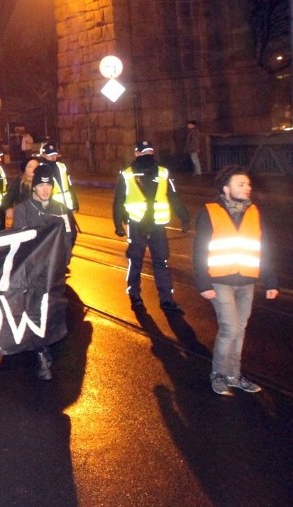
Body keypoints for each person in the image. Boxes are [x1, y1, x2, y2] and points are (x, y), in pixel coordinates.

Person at [193, 165, 278, 396]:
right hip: (219, 280)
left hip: (246, 280)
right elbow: (200, 249)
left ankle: (233, 375)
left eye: (248, 184)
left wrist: (270, 281)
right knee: (229, 328)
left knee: (240, 330)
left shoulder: (254, 212)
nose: (247, 188)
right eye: (241, 184)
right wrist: (203, 283)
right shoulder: (210, 211)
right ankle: (218, 374)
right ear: (226, 188)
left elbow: (264, 247)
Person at [12, 165, 77, 381]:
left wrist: (63, 261)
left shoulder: (60, 208)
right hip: (33, 273)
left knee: (52, 311)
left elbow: (68, 237)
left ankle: (45, 344)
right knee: (35, 312)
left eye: (48, 185)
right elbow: (20, 240)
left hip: (54, 272)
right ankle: (40, 353)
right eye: (41, 185)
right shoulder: (24, 209)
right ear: (34, 187)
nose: (45, 189)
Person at [113, 140, 190, 312]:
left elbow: (172, 196)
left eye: (149, 152)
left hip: (155, 225)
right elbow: (119, 200)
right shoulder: (127, 174)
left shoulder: (162, 173)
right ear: (137, 154)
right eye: (145, 152)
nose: (147, 155)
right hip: (138, 224)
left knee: (158, 261)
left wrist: (184, 217)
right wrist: (118, 223)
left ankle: (165, 299)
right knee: (139, 260)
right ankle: (135, 294)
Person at [38, 142, 79, 213]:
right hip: (53, 209)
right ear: (43, 155)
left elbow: (70, 186)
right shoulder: (41, 170)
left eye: (55, 154)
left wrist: (75, 203)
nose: (53, 157)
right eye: (50, 155)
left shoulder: (61, 166)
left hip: (67, 207)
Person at [4, 157, 40, 228]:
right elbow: (8, 197)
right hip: (23, 216)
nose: (33, 169)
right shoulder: (18, 182)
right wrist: (8, 208)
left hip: (39, 216)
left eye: (36, 166)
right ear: (25, 169)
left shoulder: (42, 181)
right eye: (30, 167)